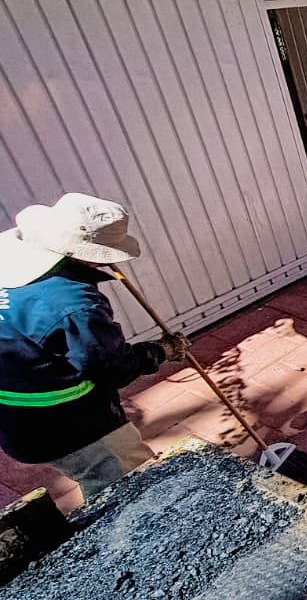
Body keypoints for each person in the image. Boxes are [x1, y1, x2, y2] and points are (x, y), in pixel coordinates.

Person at [0, 193, 189, 500]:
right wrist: (160, 351)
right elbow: (110, 367)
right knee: (129, 485)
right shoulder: (74, 305)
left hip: (15, 415)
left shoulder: (11, 254)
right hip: (68, 424)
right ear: (90, 255)